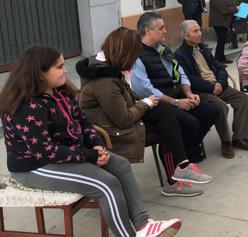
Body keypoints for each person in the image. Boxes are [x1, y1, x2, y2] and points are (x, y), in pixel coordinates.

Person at [0, 45, 182, 237]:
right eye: (59, 67)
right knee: (106, 184)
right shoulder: (27, 106)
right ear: (40, 72)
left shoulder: (61, 92)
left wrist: (97, 145)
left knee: (120, 165)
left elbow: (84, 122)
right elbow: (45, 151)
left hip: (67, 154)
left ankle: (143, 225)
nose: (66, 70)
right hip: (35, 167)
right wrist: (90, 155)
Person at [77, 28, 211, 197]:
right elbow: (123, 119)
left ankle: (181, 167)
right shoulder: (105, 81)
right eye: (134, 54)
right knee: (168, 124)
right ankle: (176, 177)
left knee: (175, 118)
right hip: (112, 130)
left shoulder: (113, 68)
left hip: (123, 115)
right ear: (125, 53)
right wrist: (146, 103)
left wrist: (149, 102)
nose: (136, 60)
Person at [131, 12, 219, 164]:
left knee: (211, 111)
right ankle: (181, 156)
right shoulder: (137, 55)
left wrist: (188, 93)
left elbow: (180, 72)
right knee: (190, 123)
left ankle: (188, 149)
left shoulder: (163, 50)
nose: (165, 31)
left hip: (177, 97)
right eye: (161, 28)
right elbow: (145, 89)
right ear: (147, 31)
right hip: (158, 104)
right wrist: (176, 102)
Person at [174, 20, 248, 158]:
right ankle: (226, 141)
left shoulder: (203, 49)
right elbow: (188, 79)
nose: (199, 33)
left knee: (242, 98)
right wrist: (211, 87)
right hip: (201, 91)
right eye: (195, 31)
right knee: (220, 106)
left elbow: (219, 67)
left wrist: (220, 83)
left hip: (218, 85)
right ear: (185, 36)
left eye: (199, 30)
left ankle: (240, 138)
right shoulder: (180, 55)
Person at [208, 0, 238, 64]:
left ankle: (221, 58)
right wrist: (236, 9)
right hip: (218, 22)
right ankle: (218, 60)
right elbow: (223, 8)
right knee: (221, 40)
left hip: (223, 21)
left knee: (223, 40)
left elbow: (228, 5)